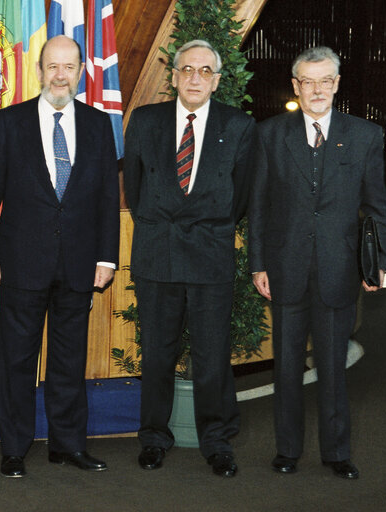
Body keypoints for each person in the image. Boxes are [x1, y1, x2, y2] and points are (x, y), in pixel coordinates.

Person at [0, 35, 120, 478]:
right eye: (52, 66)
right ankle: (14, 449)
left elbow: (106, 200)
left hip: (79, 264)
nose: (60, 75)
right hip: (21, 262)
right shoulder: (10, 122)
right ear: (39, 70)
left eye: (69, 67)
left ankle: (68, 445)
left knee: (69, 360)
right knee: (16, 359)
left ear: (81, 72)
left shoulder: (98, 125)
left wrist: (107, 258)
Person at [248, 46, 386, 479]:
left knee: (332, 370)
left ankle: (336, 453)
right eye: (307, 81)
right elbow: (258, 206)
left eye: (325, 80)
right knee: (287, 368)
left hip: (339, 271)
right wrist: (258, 263)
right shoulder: (270, 134)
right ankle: (287, 451)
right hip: (284, 270)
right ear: (295, 86)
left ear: (336, 84)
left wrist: (376, 262)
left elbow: (377, 207)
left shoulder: (365, 135)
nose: (317, 89)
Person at [123, 39, 256, 477]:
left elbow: (240, 196)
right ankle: (154, 438)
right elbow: (136, 190)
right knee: (158, 353)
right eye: (187, 69)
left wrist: (207, 224)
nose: (195, 78)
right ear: (174, 75)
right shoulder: (145, 121)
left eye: (205, 71)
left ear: (216, 80)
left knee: (212, 353)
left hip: (210, 255)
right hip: (157, 254)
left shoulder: (238, 126)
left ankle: (216, 442)